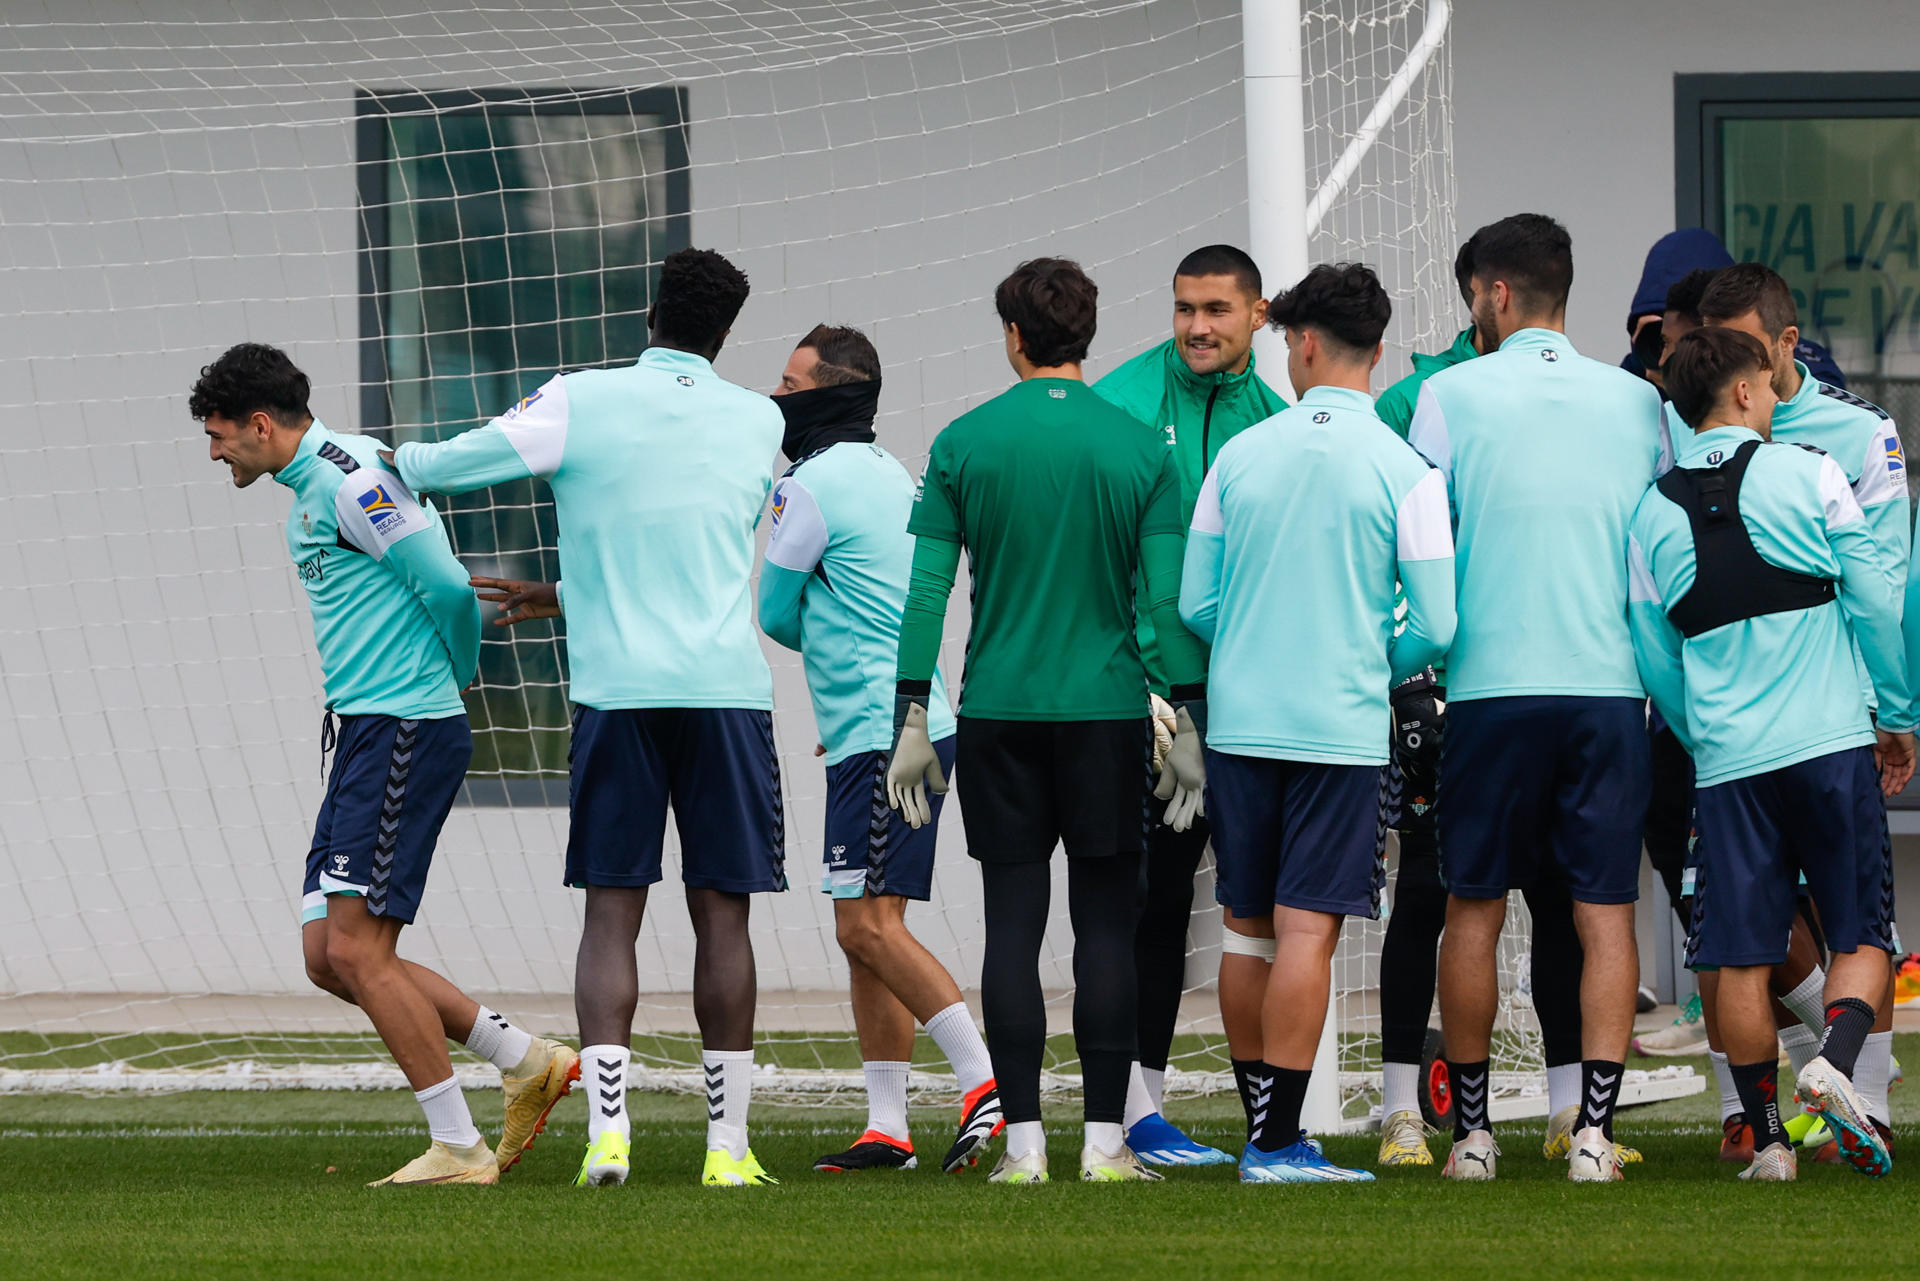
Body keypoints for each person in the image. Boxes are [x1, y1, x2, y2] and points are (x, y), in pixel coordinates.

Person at [386, 248, 787, 1190]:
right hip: (727, 694)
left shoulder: (580, 397)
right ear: (724, 333)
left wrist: (379, 459)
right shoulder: (759, 417)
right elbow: (689, 542)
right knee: (721, 914)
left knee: (614, 909)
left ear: (651, 314)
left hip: (617, 694)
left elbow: (445, 465)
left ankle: (610, 1138)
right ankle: (727, 1153)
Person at [190, 342, 577, 1187]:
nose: (214, 452)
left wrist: (460, 668)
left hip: (404, 726)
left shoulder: (353, 476)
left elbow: (442, 581)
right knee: (328, 954)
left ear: (260, 424)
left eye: (219, 436)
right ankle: (526, 1059)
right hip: (363, 732)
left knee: (363, 951)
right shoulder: (307, 488)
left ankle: (458, 1147)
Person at [888, 257, 1208, 1184]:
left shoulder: (964, 441)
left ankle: (1022, 1147)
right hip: (1110, 713)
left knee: (1012, 929)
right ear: (1088, 336)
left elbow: (927, 591)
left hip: (998, 715)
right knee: (1107, 930)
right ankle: (1105, 1144)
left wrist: (913, 710)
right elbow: (1170, 601)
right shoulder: (1144, 449)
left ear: (1015, 337)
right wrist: (1187, 719)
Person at [1180, 263, 1454, 1182]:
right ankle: (1274, 1142)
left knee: (1248, 929)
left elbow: (1197, 604)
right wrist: (1363, 660)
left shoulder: (1239, 454)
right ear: (1378, 351)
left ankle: (1264, 1130)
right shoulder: (1405, 468)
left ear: (1300, 343)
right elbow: (1441, 624)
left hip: (1243, 724)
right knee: (1309, 934)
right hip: (1338, 728)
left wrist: (1259, 647)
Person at [1408, 214, 1664, 1183]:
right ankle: (1591, 1136)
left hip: (1489, 690)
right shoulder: (1636, 404)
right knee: (1605, 914)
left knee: (1472, 910)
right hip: (1608, 690)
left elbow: (1424, 546)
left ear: (1497, 295)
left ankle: (1472, 1139)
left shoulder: (1448, 394)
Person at [1628, 325, 1914, 1181]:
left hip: (1726, 765)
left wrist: (1703, 733)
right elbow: (1874, 596)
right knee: (1863, 931)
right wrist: (1895, 713)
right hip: (1829, 746)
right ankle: (1834, 1057)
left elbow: (1653, 656)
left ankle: (1770, 1142)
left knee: (1738, 956)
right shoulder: (1811, 471)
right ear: (1749, 393)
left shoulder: (1649, 512)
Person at [1372, 233, 1607, 1168]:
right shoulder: (1419, 398)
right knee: (1431, 891)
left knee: (1557, 894)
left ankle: (1563, 1112)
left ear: (1493, 292)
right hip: (1448, 686)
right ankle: (1402, 1107)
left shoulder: (1600, 401)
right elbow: (1393, 537)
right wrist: (1405, 668)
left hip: (1543, 688)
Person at [758, 324, 1003, 1175]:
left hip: (878, 729)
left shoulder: (811, 485)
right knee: (869, 924)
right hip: (914, 720)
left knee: (865, 924)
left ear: (828, 392)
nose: (779, 397)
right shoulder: (892, 470)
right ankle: (888, 1125)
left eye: (791, 384)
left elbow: (775, 612)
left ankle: (982, 1083)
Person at [1700, 262, 1910, 1155]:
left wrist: (1884, 708)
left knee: (1858, 912)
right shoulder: (1694, 427)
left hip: (1836, 713)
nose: (1729, 371)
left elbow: (1885, 579)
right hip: (1723, 724)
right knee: (1734, 925)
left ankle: (1867, 1095)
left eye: (1744, 348)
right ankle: (1764, 1101)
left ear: (1786, 347)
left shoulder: (1858, 435)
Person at [1093, 243, 1287, 1165]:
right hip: (1144, 698)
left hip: (1245, 705)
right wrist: (1151, 694)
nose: (1198, 326)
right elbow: (1102, 558)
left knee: (1253, 907)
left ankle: (1267, 1116)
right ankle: (1141, 1110)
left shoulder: (1277, 419)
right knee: (1150, 903)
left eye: (1217, 308)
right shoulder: (1125, 400)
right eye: (1184, 308)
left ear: (1258, 315)